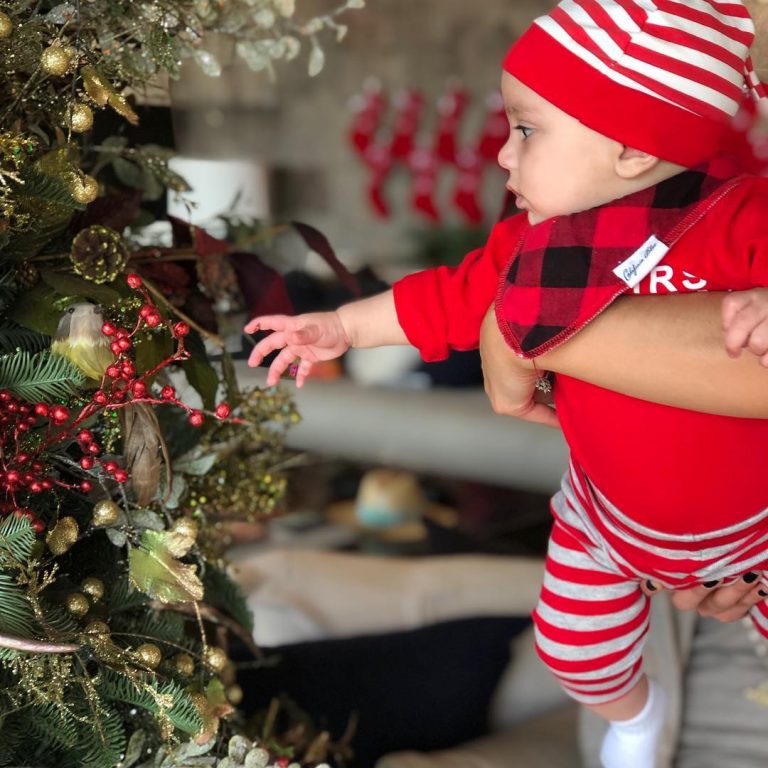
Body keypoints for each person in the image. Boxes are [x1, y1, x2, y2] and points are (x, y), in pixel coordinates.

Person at [245, 2, 768, 766]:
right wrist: (344, 327)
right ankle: (636, 717)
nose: (502, 154)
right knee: (573, 650)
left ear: (629, 148)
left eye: (527, 130)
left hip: (754, 527)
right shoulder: (535, 248)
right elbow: (449, 296)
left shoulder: (739, 219)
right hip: (606, 521)